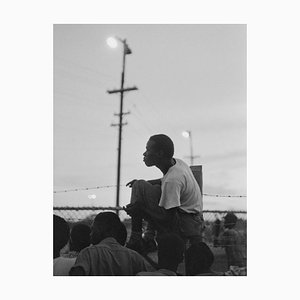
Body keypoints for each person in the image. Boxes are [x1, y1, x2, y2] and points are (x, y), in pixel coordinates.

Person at [124, 134, 203, 254]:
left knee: (140, 187)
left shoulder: (173, 180)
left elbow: (167, 218)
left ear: (160, 154)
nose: (144, 154)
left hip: (185, 220)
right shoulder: (178, 164)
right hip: (192, 216)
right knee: (142, 185)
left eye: (148, 149)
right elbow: (163, 181)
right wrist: (145, 183)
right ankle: (147, 237)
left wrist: (140, 210)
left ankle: (137, 238)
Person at [69, 212, 153, 275]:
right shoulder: (134, 257)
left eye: (94, 229)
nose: (90, 234)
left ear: (107, 231)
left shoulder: (88, 253)